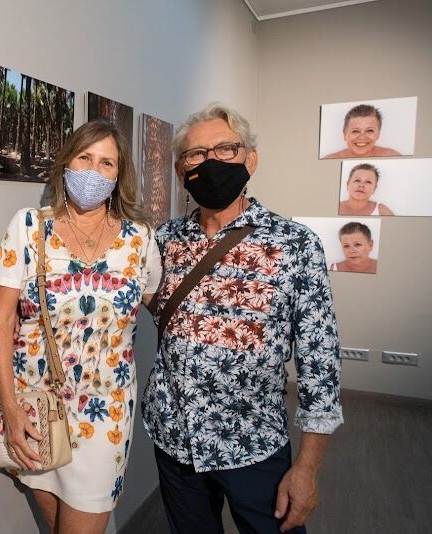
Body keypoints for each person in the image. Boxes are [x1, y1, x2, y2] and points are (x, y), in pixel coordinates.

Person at [142, 103, 344, 534]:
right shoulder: (165, 240)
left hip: (253, 444)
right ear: (181, 171)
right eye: (196, 154)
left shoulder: (294, 244)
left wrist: (307, 468)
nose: (211, 162)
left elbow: (320, 359)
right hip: (175, 438)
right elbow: (153, 305)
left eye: (225, 149)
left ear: (250, 159)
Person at [0, 119, 162, 534]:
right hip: (37, 409)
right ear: (66, 163)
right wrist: (10, 409)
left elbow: (161, 307)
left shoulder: (140, 240)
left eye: (106, 163)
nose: (93, 171)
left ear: (118, 176)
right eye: (85, 157)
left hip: (106, 413)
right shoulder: (28, 227)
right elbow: (0, 320)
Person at [325, 104, 401, 159]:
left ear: (378, 134)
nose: (362, 137)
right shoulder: (330, 159)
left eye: (369, 130)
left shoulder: (393, 156)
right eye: (355, 131)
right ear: (344, 134)